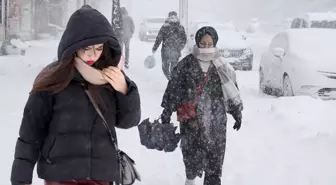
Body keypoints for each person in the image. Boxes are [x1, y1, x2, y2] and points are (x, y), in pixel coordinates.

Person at [10, 5, 141, 185]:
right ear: (73, 45)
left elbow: (128, 121)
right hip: (61, 175)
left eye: (98, 48)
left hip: (101, 176)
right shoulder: (53, 78)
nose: (92, 55)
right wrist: (20, 178)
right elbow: (31, 132)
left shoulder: (110, 76)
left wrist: (125, 89)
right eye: (86, 47)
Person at [159, 26, 244, 185]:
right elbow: (173, 88)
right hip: (192, 120)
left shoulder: (221, 66)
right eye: (202, 43)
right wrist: (166, 111)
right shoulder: (186, 64)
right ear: (197, 43)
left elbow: (231, 90)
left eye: (209, 43)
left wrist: (237, 112)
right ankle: (190, 180)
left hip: (216, 120)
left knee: (215, 159)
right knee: (191, 155)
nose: (206, 47)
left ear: (215, 43)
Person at [152, 11, 187, 80]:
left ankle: (170, 79)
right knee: (174, 68)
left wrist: (154, 48)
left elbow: (159, 38)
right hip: (176, 51)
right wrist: (180, 47)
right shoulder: (180, 27)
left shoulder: (165, 27)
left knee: (165, 68)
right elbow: (184, 39)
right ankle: (172, 80)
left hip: (166, 51)